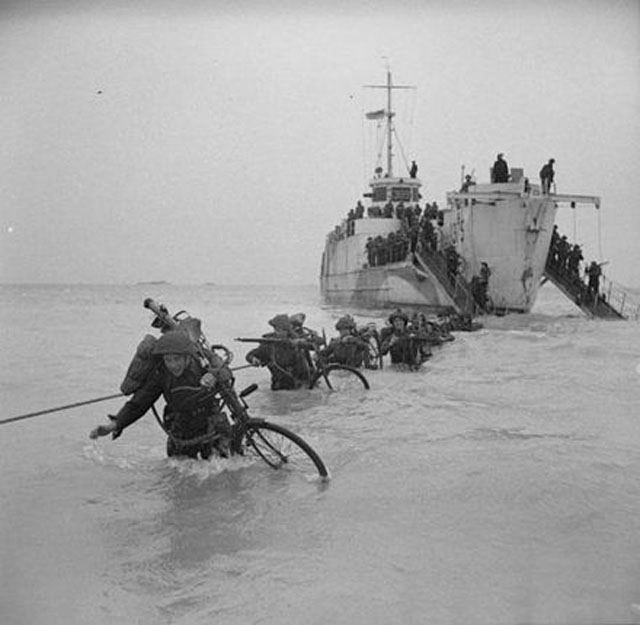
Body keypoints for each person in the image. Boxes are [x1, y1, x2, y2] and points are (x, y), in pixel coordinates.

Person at [89, 330, 233, 459]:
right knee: (179, 472)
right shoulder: (161, 374)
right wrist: (113, 425)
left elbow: (225, 371)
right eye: (168, 360)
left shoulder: (202, 360)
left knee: (224, 468)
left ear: (187, 357)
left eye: (177, 359)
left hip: (210, 420)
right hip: (182, 425)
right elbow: (139, 403)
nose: (173, 365)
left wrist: (214, 375)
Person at [246, 314, 312, 390]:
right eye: (276, 329)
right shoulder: (269, 344)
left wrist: (300, 343)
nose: (278, 332)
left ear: (287, 330)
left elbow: (317, 343)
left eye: (282, 330)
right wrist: (253, 359)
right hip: (279, 386)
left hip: (300, 384)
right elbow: (250, 355)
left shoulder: (297, 339)